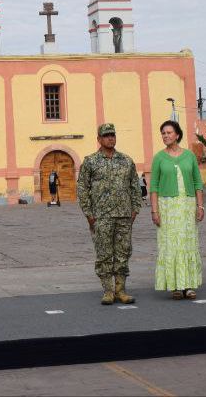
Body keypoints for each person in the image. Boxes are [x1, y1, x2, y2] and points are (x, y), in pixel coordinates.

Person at [78, 123, 141, 305]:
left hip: (123, 215)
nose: (110, 138)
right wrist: (88, 214)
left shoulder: (126, 161)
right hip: (101, 216)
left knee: (123, 253)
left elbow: (135, 187)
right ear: (99, 139)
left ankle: (120, 290)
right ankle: (108, 290)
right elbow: (82, 188)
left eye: (112, 135)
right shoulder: (90, 161)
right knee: (104, 254)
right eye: (106, 136)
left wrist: (135, 209)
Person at [149, 121, 204, 300]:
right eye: (163, 133)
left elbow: (197, 183)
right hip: (167, 208)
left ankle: (188, 285)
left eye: (169, 132)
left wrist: (200, 206)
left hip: (187, 206)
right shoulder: (159, 158)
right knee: (171, 245)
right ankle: (175, 286)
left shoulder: (189, 156)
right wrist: (154, 211)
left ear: (177, 135)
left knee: (188, 244)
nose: (165, 136)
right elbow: (154, 186)